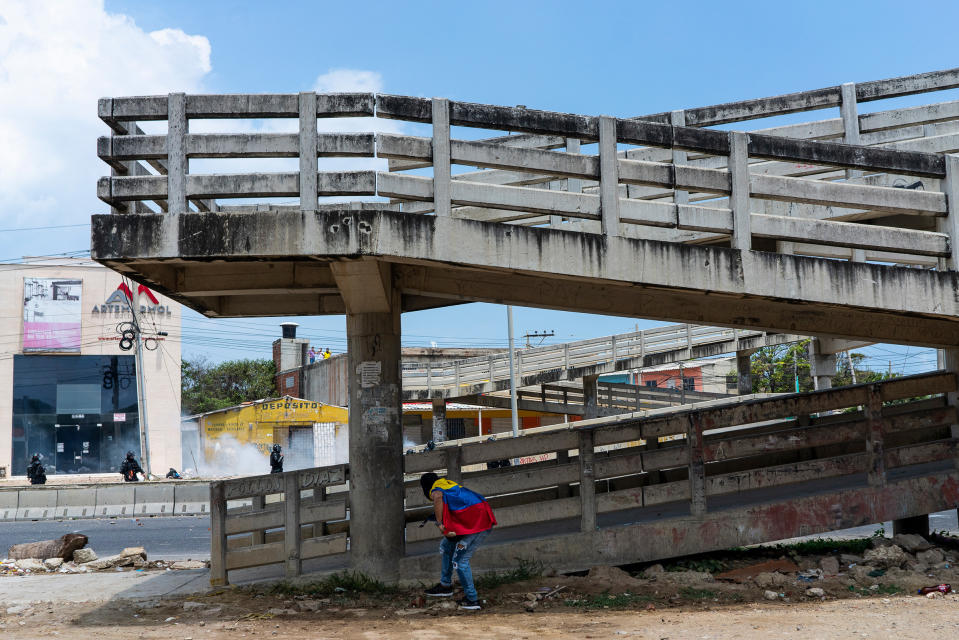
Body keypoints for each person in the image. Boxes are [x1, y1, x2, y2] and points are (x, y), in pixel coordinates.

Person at [420, 472, 497, 610]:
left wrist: (439, 524)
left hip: (479, 523)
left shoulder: (436, 489)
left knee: (460, 561)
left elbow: (437, 497)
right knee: (446, 545)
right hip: (477, 516)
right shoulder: (445, 484)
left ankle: (472, 599)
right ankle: (445, 585)